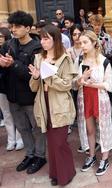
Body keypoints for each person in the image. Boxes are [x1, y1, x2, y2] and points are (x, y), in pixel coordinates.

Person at [29, 24, 76, 186]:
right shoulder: (38, 58)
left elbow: (67, 85)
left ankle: (66, 174)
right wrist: (36, 77)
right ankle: (56, 174)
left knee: (60, 142)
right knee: (51, 142)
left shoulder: (65, 58)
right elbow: (33, 88)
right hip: (44, 103)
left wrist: (48, 76)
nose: (42, 42)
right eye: (41, 38)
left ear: (55, 39)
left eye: (46, 38)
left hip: (60, 104)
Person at [0, 11, 46, 174]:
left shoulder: (37, 47)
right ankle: (30, 153)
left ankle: (40, 155)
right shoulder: (8, 45)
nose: (13, 29)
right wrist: (2, 65)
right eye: (12, 26)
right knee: (22, 128)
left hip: (30, 96)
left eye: (17, 26)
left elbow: (33, 75)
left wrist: (13, 64)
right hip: (13, 96)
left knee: (37, 128)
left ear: (28, 28)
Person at [74, 30, 112, 176]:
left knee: (103, 128)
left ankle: (105, 158)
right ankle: (91, 155)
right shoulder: (79, 60)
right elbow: (74, 84)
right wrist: (81, 79)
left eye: (85, 42)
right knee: (89, 129)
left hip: (100, 98)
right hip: (84, 99)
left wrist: (92, 84)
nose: (82, 46)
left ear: (94, 43)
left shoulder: (104, 61)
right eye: (80, 43)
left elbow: (109, 84)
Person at [0, 27, 24, 151]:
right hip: (2, 88)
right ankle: (11, 139)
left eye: (1, 37)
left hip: (14, 85)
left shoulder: (12, 47)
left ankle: (20, 139)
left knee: (18, 114)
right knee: (7, 114)